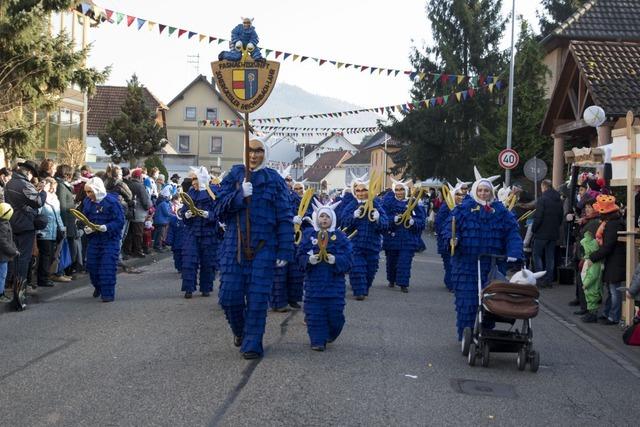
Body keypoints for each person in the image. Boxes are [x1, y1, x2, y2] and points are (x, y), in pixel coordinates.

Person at [215, 137, 293, 359]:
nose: (253, 154)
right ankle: (240, 332)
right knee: (229, 297)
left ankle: (252, 343)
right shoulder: (234, 176)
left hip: (264, 248)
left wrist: (285, 250)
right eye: (250, 149)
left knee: (258, 300)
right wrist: (239, 195)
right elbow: (218, 209)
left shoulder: (274, 180)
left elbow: (285, 217)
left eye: (258, 150)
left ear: (265, 154)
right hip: (234, 247)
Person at [444, 167, 523, 340]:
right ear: (474, 191)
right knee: (468, 303)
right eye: (480, 190)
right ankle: (466, 335)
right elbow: (450, 228)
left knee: (491, 303)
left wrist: (513, 252)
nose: (483, 193)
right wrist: (452, 240)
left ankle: (485, 335)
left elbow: (512, 233)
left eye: (486, 190)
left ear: (491, 192)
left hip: (493, 265)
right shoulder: (463, 209)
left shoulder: (501, 211)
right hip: (466, 265)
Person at [298, 200, 352, 351]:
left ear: (332, 218)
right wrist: (308, 260)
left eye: (327, 217)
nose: (324, 219)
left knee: (335, 316)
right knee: (314, 315)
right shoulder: (309, 235)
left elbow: (348, 260)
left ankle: (331, 334)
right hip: (313, 285)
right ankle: (317, 341)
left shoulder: (340, 237)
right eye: (321, 216)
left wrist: (337, 260)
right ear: (317, 218)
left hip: (334, 285)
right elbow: (299, 256)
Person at [339, 174, 388, 300]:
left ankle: (364, 288)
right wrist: (353, 216)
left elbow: (385, 224)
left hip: (373, 244)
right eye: (358, 190)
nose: (361, 193)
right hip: (355, 244)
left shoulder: (376, 204)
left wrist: (378, 219)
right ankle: (359, 292)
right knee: (357, 268)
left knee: (371, 270)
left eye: (364, 190)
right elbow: (343, 222)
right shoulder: (351, 205)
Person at [82, 177, 125, 302]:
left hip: (110, 240)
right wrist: (87, 227)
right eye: (87, 192)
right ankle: (98, 286)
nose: (88, 195)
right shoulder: (88, 202)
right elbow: (85, 218)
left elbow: (119, 221)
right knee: (92, 266)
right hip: (94, 239)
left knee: (107, 266)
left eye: (90, 192)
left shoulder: (112, 202)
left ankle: (108, 294)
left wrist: (106, 227)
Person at [179, 167, 220, 298]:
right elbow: (184, 210)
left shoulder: (213, 193)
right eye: (193, 180)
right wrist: (187, 214)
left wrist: (208, 215)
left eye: (195, 180)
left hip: (208, 233)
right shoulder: (191, 193)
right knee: (189, 259)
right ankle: (188, 289)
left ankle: (206, 287)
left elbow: (219, 213)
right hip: (192, 231)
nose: (193, 183)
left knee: (207, 261)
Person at [4, 160, 47, 283]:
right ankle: (20, 285)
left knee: (13, 256)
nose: (32, 177)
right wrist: (42, 192)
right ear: (28, 172)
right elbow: (38, 202)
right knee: (23, 257)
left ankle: (9, 283)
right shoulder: (25, 185)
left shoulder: (10, 183)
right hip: (25, 224)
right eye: (32, 174)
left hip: (12, 223)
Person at [382, 180, 426, 293]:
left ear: (405, 190)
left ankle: (403, 284)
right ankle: (391, 280)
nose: (399, 192)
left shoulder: (413, 203)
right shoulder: (388, 203)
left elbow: (421, 220)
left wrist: (412, 221)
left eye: (401, 189)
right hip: (392, 238)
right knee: (391, 262)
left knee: (405, 262)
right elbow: (384, 219)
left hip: (408, 238)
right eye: (396, 189)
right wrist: (393, 219)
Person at [588, 195, 625, 325]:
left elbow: (608, 246)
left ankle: (614, 317)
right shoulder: (613, 222)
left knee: (614, 290)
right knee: (611, 289)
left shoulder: (611, 225)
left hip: (615, 260)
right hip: (614, 260)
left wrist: (593, 256)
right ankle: (607, 313)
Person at [434, 181, 468, 291]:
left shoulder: (466, 207)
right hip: (446, 241)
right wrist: (447, 236)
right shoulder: (446, 206)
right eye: (457, 194)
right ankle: (451, 284)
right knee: (449, 264)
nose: (460, 196)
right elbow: (439, 223)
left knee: (457, 264)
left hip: (461, 241)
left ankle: (453, 282)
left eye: (462, 194)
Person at [532, 179, 563, 288]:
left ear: (544, 187)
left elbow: (538, 217)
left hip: (541, 233)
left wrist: (534, 229)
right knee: (550, 257)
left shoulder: (542, 200)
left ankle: (539, 279)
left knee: (537, 255)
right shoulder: (558, 200)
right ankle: (549, 280)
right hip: (553, 233)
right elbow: (560, 217)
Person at [36, 178, 66, 287]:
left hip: (54, 231)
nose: (53, 189)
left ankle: (46, 276)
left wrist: (62, 228)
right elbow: (37, 214)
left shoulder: (55, 199)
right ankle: (42, 279)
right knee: (45, 256)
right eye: (52, 187)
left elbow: (58, 216)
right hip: (44, 232)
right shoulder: (41, 197)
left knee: (51, 256)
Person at [123, 168, 152, 258]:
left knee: (129, 233)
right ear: (139, 177)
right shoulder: (139, 186)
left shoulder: (128, 184)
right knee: (138, 233)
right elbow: (145, 201)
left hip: (130, 212)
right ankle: (137, 251)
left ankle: (128, 251)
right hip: (139, 213)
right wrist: (149, 206)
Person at [0, 203, 19, 302]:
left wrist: (14, 249)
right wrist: (13, 251)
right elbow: (3, 242)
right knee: (2, 275)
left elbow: (10, 240)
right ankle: (1, 294)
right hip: (2, 256)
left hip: (4, 255)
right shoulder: (3, 225)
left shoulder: (5, 222)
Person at [153, 186, 173, 252]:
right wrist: (173, 215)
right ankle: (158, 246)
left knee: (159, 234)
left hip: (160, 221)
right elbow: (166, 213)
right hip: (161, 221)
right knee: (160, 235)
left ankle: (158, 245)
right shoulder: (164, 203)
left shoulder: (164, 203)